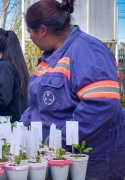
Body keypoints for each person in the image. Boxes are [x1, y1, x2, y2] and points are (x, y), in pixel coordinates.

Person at [21, 0, 125, 179]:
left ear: (43, 30)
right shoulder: (49, 57)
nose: (29, 36)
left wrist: (58, 141)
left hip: (92, 161)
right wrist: (22, 129)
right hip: (58, 157)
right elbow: (37, 106)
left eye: (30, 31)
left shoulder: (87, 51)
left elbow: (101, 104)